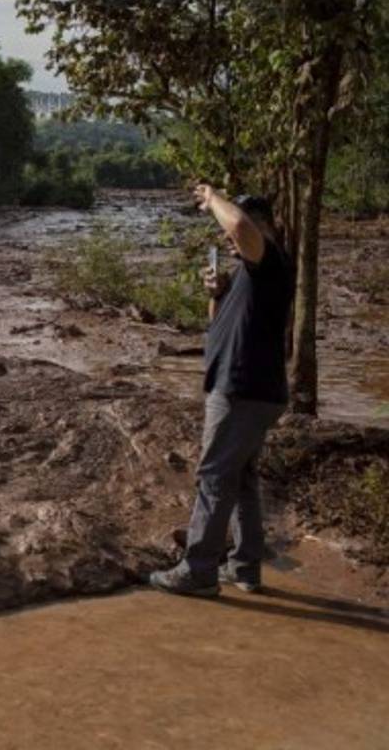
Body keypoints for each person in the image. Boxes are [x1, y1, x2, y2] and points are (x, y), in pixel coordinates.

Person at [151, 185, 295, 597]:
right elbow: (220, 327)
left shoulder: (270, 261)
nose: (231, 240)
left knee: (213, 475)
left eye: (237, 234)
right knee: (242, 478)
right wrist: (216, 295)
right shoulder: (250, 275)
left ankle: (198, 571)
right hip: (249, 388)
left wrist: (213, 196)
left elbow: (239, 223)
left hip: (242, 390)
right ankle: (245, 567)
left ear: (264, 228)